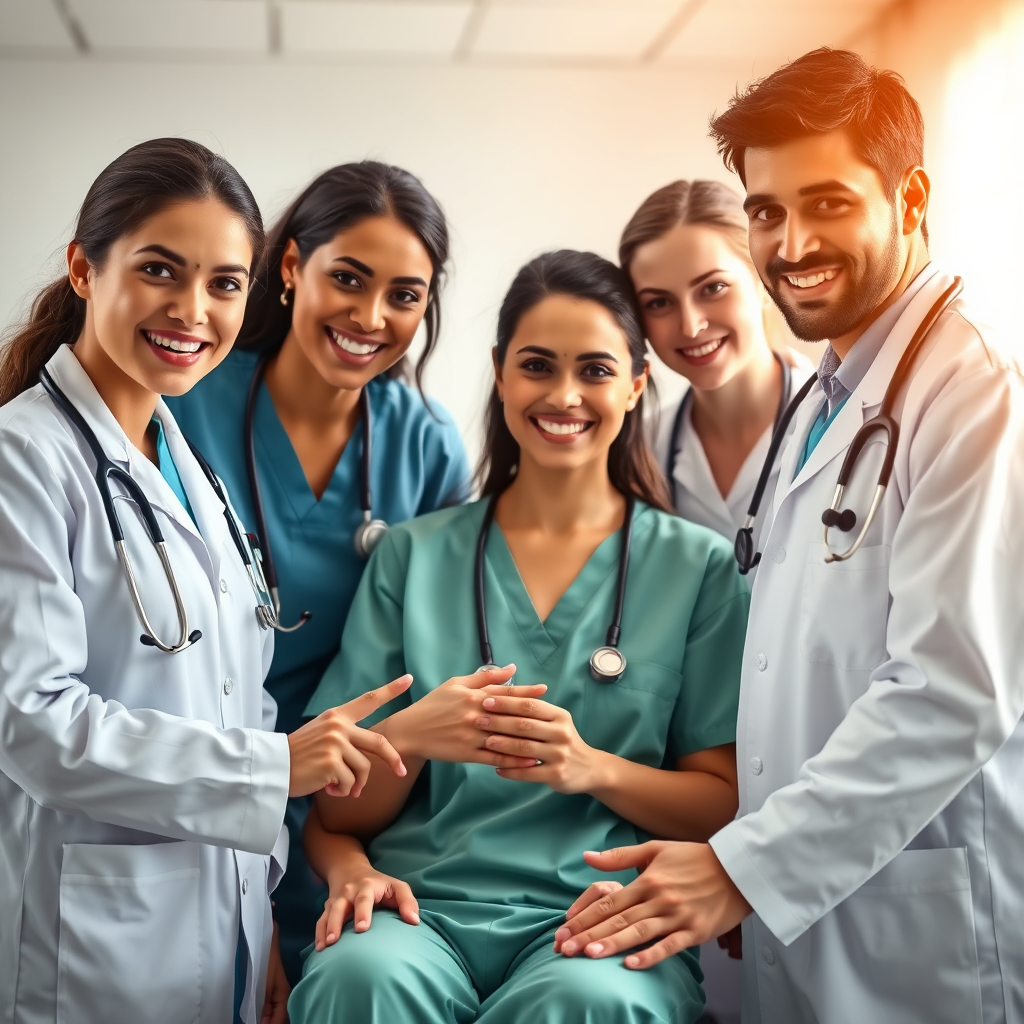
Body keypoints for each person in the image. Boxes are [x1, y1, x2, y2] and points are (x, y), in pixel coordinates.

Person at [551, 48, 1024, 1024]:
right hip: (811, 891)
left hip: (922, 918)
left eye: (828, 203)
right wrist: (750, 864)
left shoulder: (974, 392)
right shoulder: (844, 396)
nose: (792, 241)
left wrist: (747, 865)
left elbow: (949, 692)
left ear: (910, 195)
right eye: (766, 210)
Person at [0, 139, 412, 1024]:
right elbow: (30, 721)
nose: (193, 310)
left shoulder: (186, 466)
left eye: (226, 283)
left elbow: (234, 694)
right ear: (83, 267)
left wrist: (257, 918)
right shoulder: (22, 459)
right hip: (93, 932)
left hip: (219, 915)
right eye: (160, 270)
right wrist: (273, 768)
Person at [287, 250, 750, 1023]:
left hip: (597, 911)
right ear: (502, 374)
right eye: (538, 366)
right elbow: (337, 817)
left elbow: (724, 807)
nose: (564, 394)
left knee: (590, 1002)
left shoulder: (695, 567)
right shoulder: (413, 555)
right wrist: (416, 735)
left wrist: (590, 768)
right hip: (418, 907)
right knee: (358, 980)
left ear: (637, 383)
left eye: (596, 370)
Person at [165, 161, 469, 984]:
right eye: (348, 278)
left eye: (405, 295)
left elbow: (428, 653)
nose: (372, 317)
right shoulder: (185, 406)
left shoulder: (426, 444)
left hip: (354, 808)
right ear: (292, 268)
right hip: (202, 785)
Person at [621, 179, 813, 559]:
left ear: (764, 280)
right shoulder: (640, 451)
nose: (690, 326)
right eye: (659, 303)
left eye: (712, 289)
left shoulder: (835, 429)